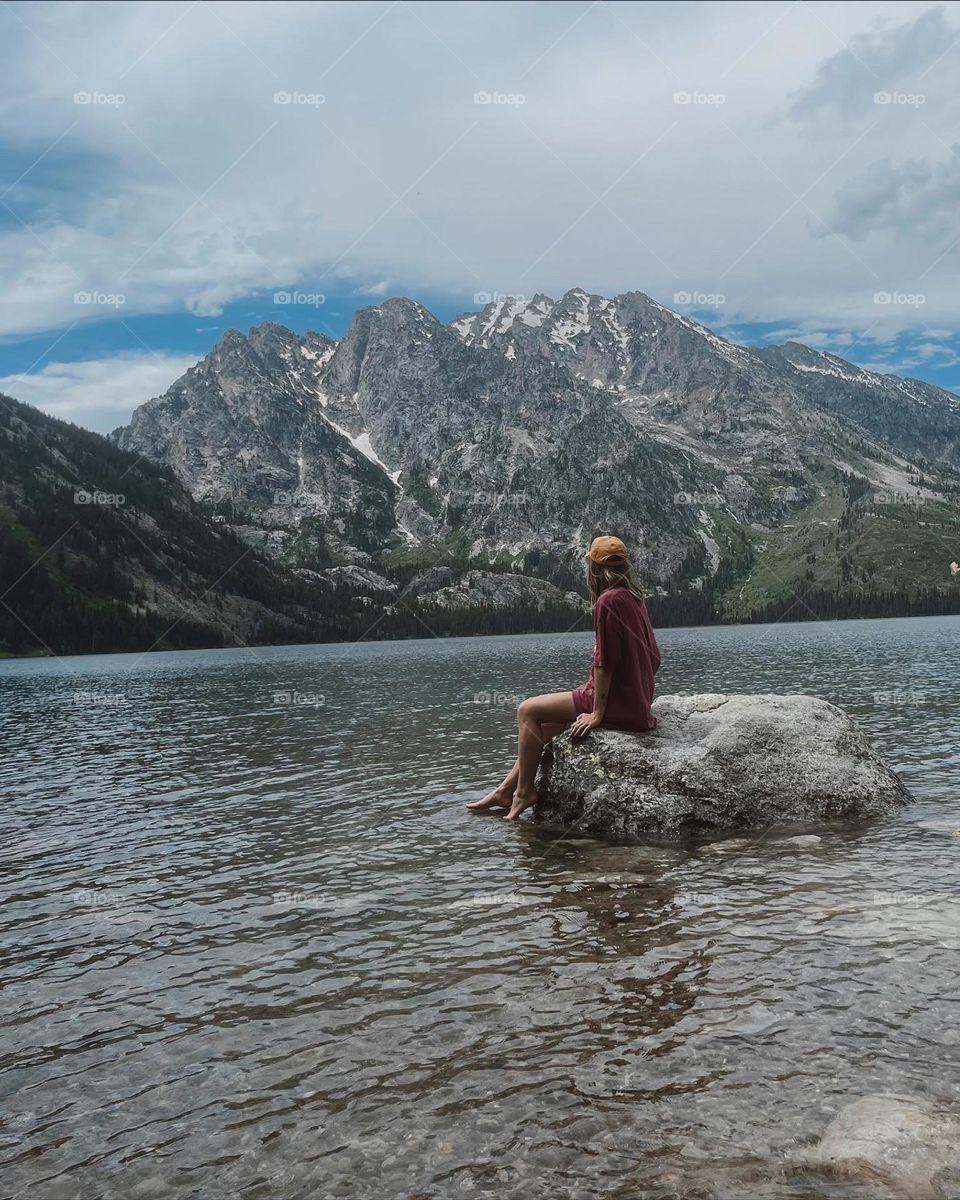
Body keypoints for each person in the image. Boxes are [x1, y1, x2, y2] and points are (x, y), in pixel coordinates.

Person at [467, 534, 661, 822]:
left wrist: (597, 712)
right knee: (544, 728)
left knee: (527, 710)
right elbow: (654, 658)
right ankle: (506, 790)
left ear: (594, 569)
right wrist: (637, 688)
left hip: (617, 704)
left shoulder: (608, 601)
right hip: (636, 702)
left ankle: (523, 793)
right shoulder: (635, 598)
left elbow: (604, 663)